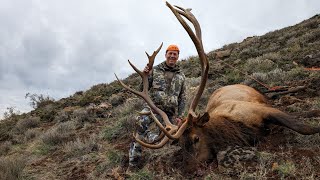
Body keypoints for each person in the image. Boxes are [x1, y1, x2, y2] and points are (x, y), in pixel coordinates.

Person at [128, 44, 186, 170]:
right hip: (152, 109)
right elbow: (142, 89)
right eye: (170, 53)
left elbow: (183, 98)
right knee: (140, 126)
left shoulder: (181, 76)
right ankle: (133, 164)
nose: (172, 56)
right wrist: (146, 75)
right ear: (165, 55)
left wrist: (180, 116)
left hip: (169, 113)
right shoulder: (155, 70)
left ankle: (163, 166)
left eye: (175, 54)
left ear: (177, 57)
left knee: (171, 139)